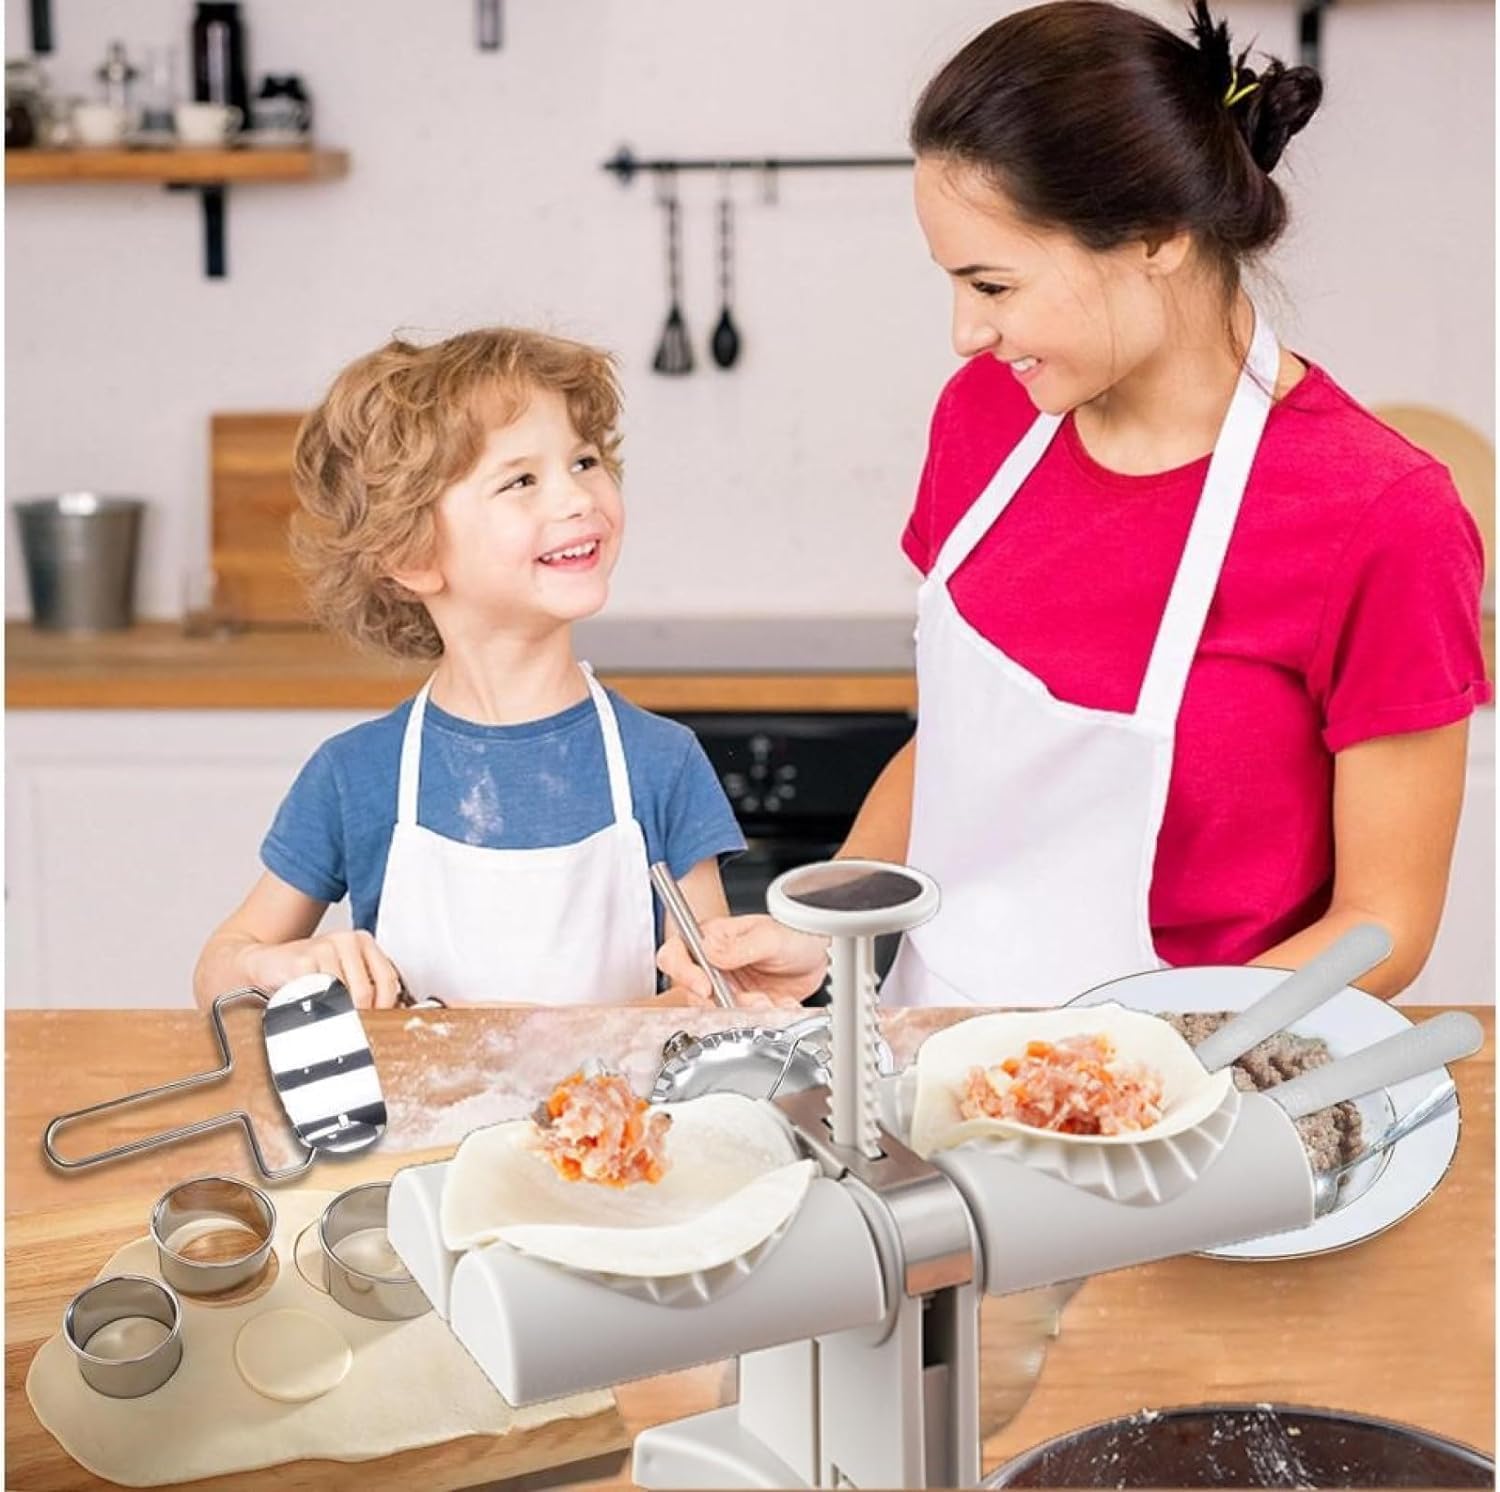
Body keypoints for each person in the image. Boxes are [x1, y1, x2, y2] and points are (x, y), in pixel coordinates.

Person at [660, 1, 1491, 1008]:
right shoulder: (983, 421)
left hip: (1205, 1097)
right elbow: (965, 757)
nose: (966, 332)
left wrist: (1148, 1054)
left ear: (1155, 236)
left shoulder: (1380, 512)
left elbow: (1383, 924)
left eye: (993, 284)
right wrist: (820, 926)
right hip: (934, 1058)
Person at [195, 327, 756, 1009]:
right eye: (522, 480)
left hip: (611, 1117)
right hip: (411, 1120)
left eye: (583, 461)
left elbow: (714, 997)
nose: (577, 498)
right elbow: (217, 974)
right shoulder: (357, 774)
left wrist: (705, 993)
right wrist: (280, 964)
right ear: (411, 556)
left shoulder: (661, 764)